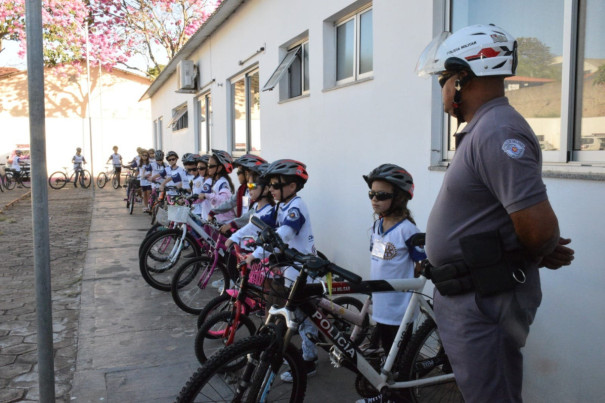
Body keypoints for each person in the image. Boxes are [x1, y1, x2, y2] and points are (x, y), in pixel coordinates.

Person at [416, 24, 575, 402]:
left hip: (485, 299)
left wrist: (538, 246)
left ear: (461, 78)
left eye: (444, 78)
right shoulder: (486, 129)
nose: (442, 89)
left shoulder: (497, 133)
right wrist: (534, 245)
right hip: (473, 294)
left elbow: (538, 230)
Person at [244, 159, 319, 382]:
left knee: (304, 318)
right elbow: (257, 223)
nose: (271, 190)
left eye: (275, 186)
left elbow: (283, 234)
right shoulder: (280, 206)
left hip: (303, 270)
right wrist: (239, 239)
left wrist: (256, 254)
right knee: (287, 313)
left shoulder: (297, 206)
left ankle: (308, 361)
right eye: (270, 185)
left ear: (292, 187)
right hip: (289, 270)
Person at [360, 164, 426, 353]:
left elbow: (420, 264)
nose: (374, 199)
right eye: (371, 194)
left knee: (399, 355)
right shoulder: (377, 226)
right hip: (382, 302)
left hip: (400, 306)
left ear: (398, 198)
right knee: (387, 350)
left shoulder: (407, 230)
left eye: (381, 195)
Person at [211, 154, 267, 233]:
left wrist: (232, 224)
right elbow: (230, 202)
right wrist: (214, 211)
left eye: (239, 173)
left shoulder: (258, 192)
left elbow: (251, 214)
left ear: (247, 173)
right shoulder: (243, 189)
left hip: (254, 232)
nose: (237, 176)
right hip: (243, 230)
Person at [196, 149, 235, 223]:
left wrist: (206, 195)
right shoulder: (216, 182)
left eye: (210, 166)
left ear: (219, 168)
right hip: (219, 221)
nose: (208, 168)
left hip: (226, 222)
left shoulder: (222, 182)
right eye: (207, 165)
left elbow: (225, 200)